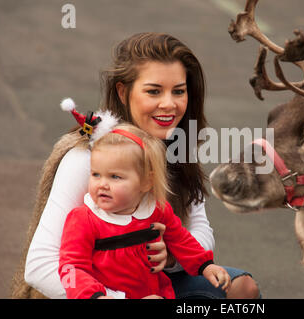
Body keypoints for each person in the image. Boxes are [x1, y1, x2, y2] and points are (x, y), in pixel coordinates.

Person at [20, 32, 260, 299]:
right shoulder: (88, 158)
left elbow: (199, 231)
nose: (169, 104)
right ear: (123, 92)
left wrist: (170, 257)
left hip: (154, 284)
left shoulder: (176, 150)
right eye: (154, 91)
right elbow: (40, 266)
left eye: (179, 91)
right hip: (93, 292)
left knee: (242, 289)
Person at [59, 123, 230, 299]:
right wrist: (94, 296)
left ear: (146, 182)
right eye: (96, 174)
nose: (102, 184)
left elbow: (181, 240)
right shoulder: (84, 219)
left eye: (115, 176)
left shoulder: (156, 210)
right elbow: (71, 267)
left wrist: (205, 265)